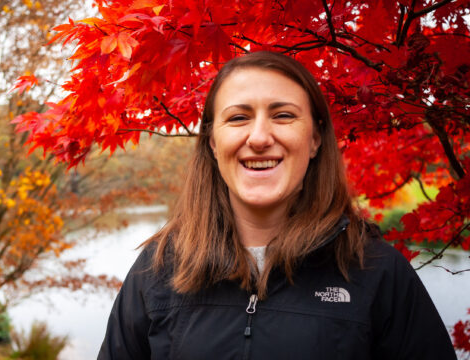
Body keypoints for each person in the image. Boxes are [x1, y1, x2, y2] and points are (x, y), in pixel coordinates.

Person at [97, 51, 456, 359]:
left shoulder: (377, 271)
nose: (258, 138)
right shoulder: (159, 269)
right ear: (211, 142)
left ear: (315, 138)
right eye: (238, 117)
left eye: (283, 115)